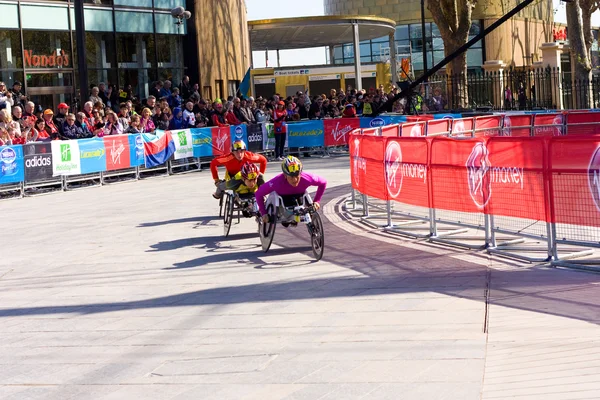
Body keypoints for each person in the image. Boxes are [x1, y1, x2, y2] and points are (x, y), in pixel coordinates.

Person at [256, 156, 327, 227]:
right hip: (283, 200)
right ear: (285, 175)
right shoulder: (277, 182)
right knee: (286, 221)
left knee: (309, 208)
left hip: (300, 196)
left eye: (297, 176)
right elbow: (258, 194)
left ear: (300, 173)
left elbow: (323, 182)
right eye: (291, 177)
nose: (295, 180)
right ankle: (290, 217)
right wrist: (264, 212)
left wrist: (317, 201)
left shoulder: (307, 178)